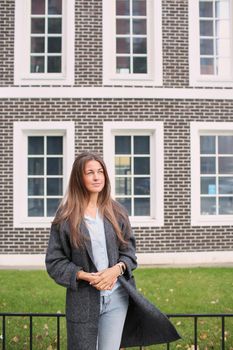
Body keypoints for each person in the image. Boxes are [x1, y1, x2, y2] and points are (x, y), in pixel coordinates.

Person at [45, 152, 180, 350]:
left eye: (100, 171)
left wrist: (115, 270)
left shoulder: (116, 211)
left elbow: (129, 253)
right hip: (83, 301)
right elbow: (55, 261)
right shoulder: (66, 215)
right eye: (90, 172)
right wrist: (84, 275)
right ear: (78, 178)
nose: (97, 177)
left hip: (117, 298)